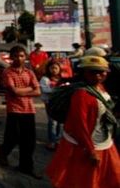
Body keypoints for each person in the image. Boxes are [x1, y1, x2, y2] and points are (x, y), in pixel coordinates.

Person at [47, 56, 120, 187]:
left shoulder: (100, 87)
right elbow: (79, 125)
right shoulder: (81, 95)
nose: (97, 75)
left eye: (101, 71)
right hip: (84, 146)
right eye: (92, 71)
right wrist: (91, 151)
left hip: (103, 141)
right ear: (84, 73)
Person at [0, 45, 42, 179]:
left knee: (29, 141)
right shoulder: (8, 72)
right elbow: (14, 91)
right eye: (16, 56)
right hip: (14, 109)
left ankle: (26, 166)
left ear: (26, 57)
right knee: (12, 137)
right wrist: (29, 89)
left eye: (22, 56)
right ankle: (3, 152)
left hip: (29, 109)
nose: (19, 58)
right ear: (12, 58)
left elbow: (38, 91)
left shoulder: (29, 72)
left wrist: (22, 91)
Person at [40, 60, 63, 151]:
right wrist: (59, 90)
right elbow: (46, 90)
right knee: (52, 122)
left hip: (60, 103)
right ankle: (52, 141)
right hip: (49, 103)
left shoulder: (61, 79)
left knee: (60, 122)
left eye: (56, 68)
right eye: (52, 68)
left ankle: (58, 140)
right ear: (48, 69)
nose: (54, 70)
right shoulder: (45, 79)